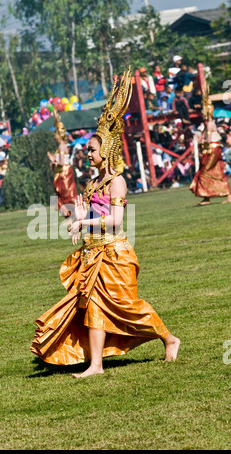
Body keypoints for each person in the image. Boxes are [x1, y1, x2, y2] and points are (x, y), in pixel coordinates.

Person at [31, 68, 180, 377]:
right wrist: (76, 219)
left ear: (107, 152)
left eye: (91, 150)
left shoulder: (118, 183)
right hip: (93, 255)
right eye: (87, 150)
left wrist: (84, 224)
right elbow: (86, 213)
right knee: (93, 307)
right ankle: (96, 365)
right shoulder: (92, 182)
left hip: (115, 254)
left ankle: (169, 338)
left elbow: (114, 220)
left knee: (130, 308)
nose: (87, 154)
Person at [190, 88, 231, 205]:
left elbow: (207, 138)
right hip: (212, 148)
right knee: (216, 171)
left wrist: (200, 143)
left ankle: (222, 195)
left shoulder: (210, 123)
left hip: (213, 148)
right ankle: (207, 197)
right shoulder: (205, 124)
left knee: (204, 172)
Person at [47, 106, 78, 217]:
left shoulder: (61, 147)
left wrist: (52, 159)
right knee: (66, 196)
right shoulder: (63, 145)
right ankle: (70, 214)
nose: (54, 136)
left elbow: (61, 163)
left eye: (55, 133)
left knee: (67, 196)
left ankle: (73, 213)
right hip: (64, 172)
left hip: (64, 174)